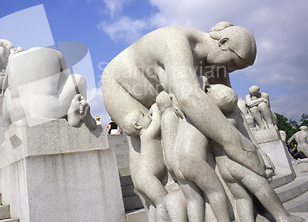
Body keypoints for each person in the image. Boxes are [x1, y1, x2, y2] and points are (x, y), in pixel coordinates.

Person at [101, 22, 266, 176]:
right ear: (222, 43)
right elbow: (189, 97)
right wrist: (239, 147)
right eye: (233, 63)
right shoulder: (176, 40)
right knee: (150, 150)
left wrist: (256, 149)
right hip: (119, 84)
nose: (231, 70)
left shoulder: (216, 65)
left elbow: (232, 108)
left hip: (158, 94)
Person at [206, 83, 303, 222]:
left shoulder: (208, 119)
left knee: (242, 197)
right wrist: (258, 157)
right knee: (261, 187)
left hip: (223, 165)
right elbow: (246, 139)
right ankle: (283, 216)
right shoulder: (233, 117)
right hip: (239, 162)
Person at [155, 90, 236, 222]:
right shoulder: (200, 117)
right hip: (192, 161)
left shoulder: (181, 119)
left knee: (193, 198)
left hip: (178, 163)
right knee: (215, 191)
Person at [121, 104, 169, 222]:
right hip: (148, 177)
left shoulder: (143, 137)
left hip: (141, 178)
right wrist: (154, 107)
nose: (147, 115)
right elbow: (158, 121)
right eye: (143, 116)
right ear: (137, 125)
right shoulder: (148, 135)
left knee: (153, 203)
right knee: (162, 201)